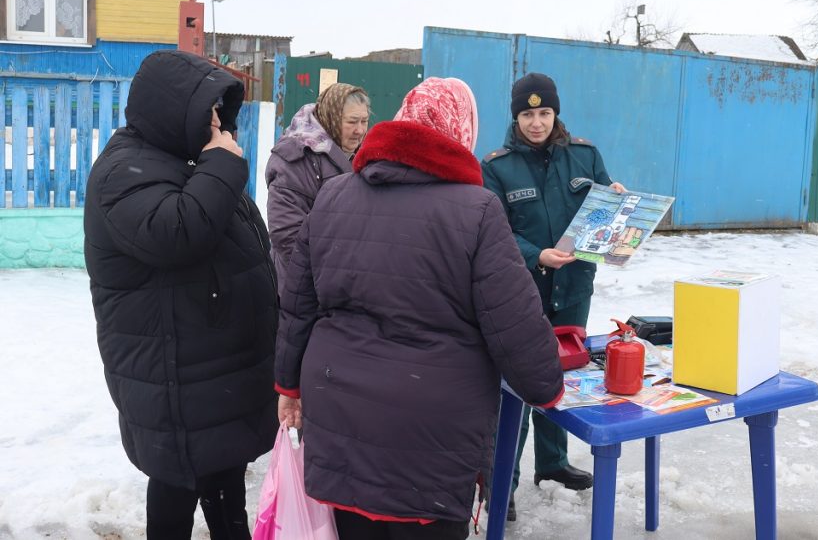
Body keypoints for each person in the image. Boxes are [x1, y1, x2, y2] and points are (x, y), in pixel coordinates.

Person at [274, 76, 565, 540]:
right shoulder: (476, 210)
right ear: (460, 130)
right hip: (430, 435)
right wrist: (545, 386)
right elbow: (514, 320)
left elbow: (298, 304)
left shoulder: (334, 195)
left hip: (341, 413)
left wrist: (288, 383)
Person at [83, 50, 278, 540]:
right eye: (206, 110)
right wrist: (221, 165)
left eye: (218, 111)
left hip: (209, 370)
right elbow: (177, 232)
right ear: (171, 109)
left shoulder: (187, 161)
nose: (216, 122)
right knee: (177, 487)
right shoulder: (123, 172)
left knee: (222, 479)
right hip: (171, 372)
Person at [481, 72, 626, 519]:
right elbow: (494, 230)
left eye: (544, 113)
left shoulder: (585, 155)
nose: (537, 123)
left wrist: (618, 204)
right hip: (523, 290)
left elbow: (604, 216)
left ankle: (553, 462)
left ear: (555, 113)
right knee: (517, 387)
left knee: (563, 375)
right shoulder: (497, 167)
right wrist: (536, 254)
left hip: (574, 288)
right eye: (528, 115)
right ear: (516, 118)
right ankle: (502, 483)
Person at [265, 83, 371, 287]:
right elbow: (287, 233)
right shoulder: (297, 157)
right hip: (304, 285)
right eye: (352, 122)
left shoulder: (361, 155)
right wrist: (325, 279)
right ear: (332, 118)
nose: (360, 130)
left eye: (364, 121)